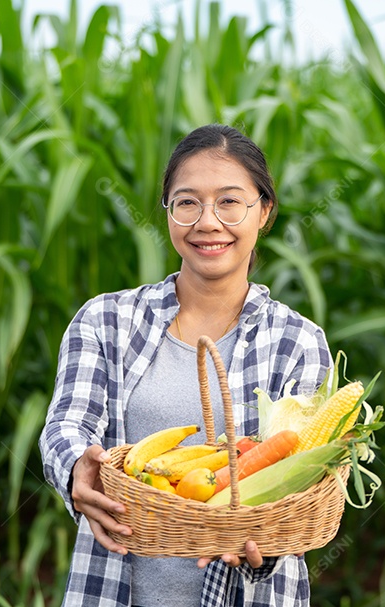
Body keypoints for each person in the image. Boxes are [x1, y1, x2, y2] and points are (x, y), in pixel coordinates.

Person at [40, 124, 331, 607]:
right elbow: (66, 424)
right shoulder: (106, 320)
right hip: (111, 590)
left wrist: (269, 543)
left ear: (264, 211)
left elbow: (303, 473)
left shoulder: (297, 341)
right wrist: (76, 469)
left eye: (230, 202)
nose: (208, 222)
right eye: (187, 202)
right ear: (169, 213)